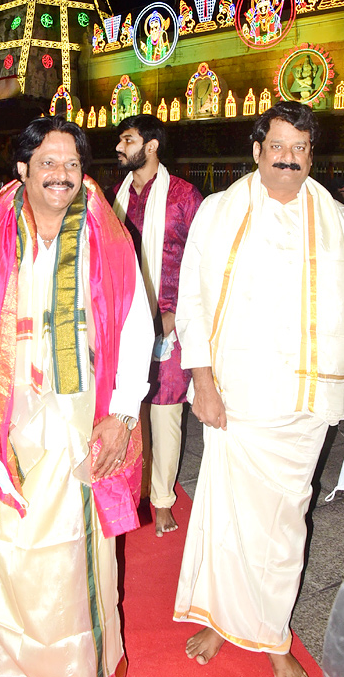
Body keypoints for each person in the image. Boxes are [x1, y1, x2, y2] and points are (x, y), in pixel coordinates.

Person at [0, 115, 153, 677]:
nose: (61, 175)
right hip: (8, 427)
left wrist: (124, 414)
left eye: (72, 164)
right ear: (22, 168)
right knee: (13, 552)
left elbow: (135, 330)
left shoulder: (109, 237)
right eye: (49, 163)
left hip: (86, 424)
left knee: (82, 554)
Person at [173, 101, 344, 677]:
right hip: (235, 397)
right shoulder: (219, 212)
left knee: (283, 525)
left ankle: (270, 636)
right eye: (278, 147)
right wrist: (201, 380)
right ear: (257, 149)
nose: (289, 160)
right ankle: (226, 620)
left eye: (301, 150)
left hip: (303, 404)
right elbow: (192, 301)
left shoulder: (335, 219)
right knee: (227, 516)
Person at [110, 114, 202, 537]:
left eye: (127, 140)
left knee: (166, 411)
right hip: (126, 321)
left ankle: (162, 500)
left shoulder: (184, 196)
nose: (118, 147)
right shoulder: (116, 196)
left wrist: (174, 314)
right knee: (128, 408)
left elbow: (202, 264)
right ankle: (131, 489)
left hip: (171, 319)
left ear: (151, 146)